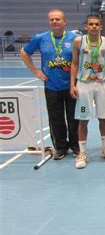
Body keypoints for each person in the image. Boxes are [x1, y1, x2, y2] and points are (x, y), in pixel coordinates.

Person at [21, 10, 79, 160]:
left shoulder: (76, 39)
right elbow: (24, 53)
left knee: (75, 117)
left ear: (64, 21)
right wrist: (36, 72)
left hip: (72, 85)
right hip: (52, 86)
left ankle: (76, 146)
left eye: (58, 19)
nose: (54, 22)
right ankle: (60, 147)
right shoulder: (40, 38)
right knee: (55, 118)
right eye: (52, 19)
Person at [70, 15, 105, 169]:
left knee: (103, 117)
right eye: (91, 24)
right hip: (84, 84)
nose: (94, 27)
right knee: (84, 119)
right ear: (86, 26)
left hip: (102, 84)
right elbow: (75, 64)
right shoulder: (78, 41)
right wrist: (72, 84)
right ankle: (82, 152)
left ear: (101, 27)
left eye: (97, 24)